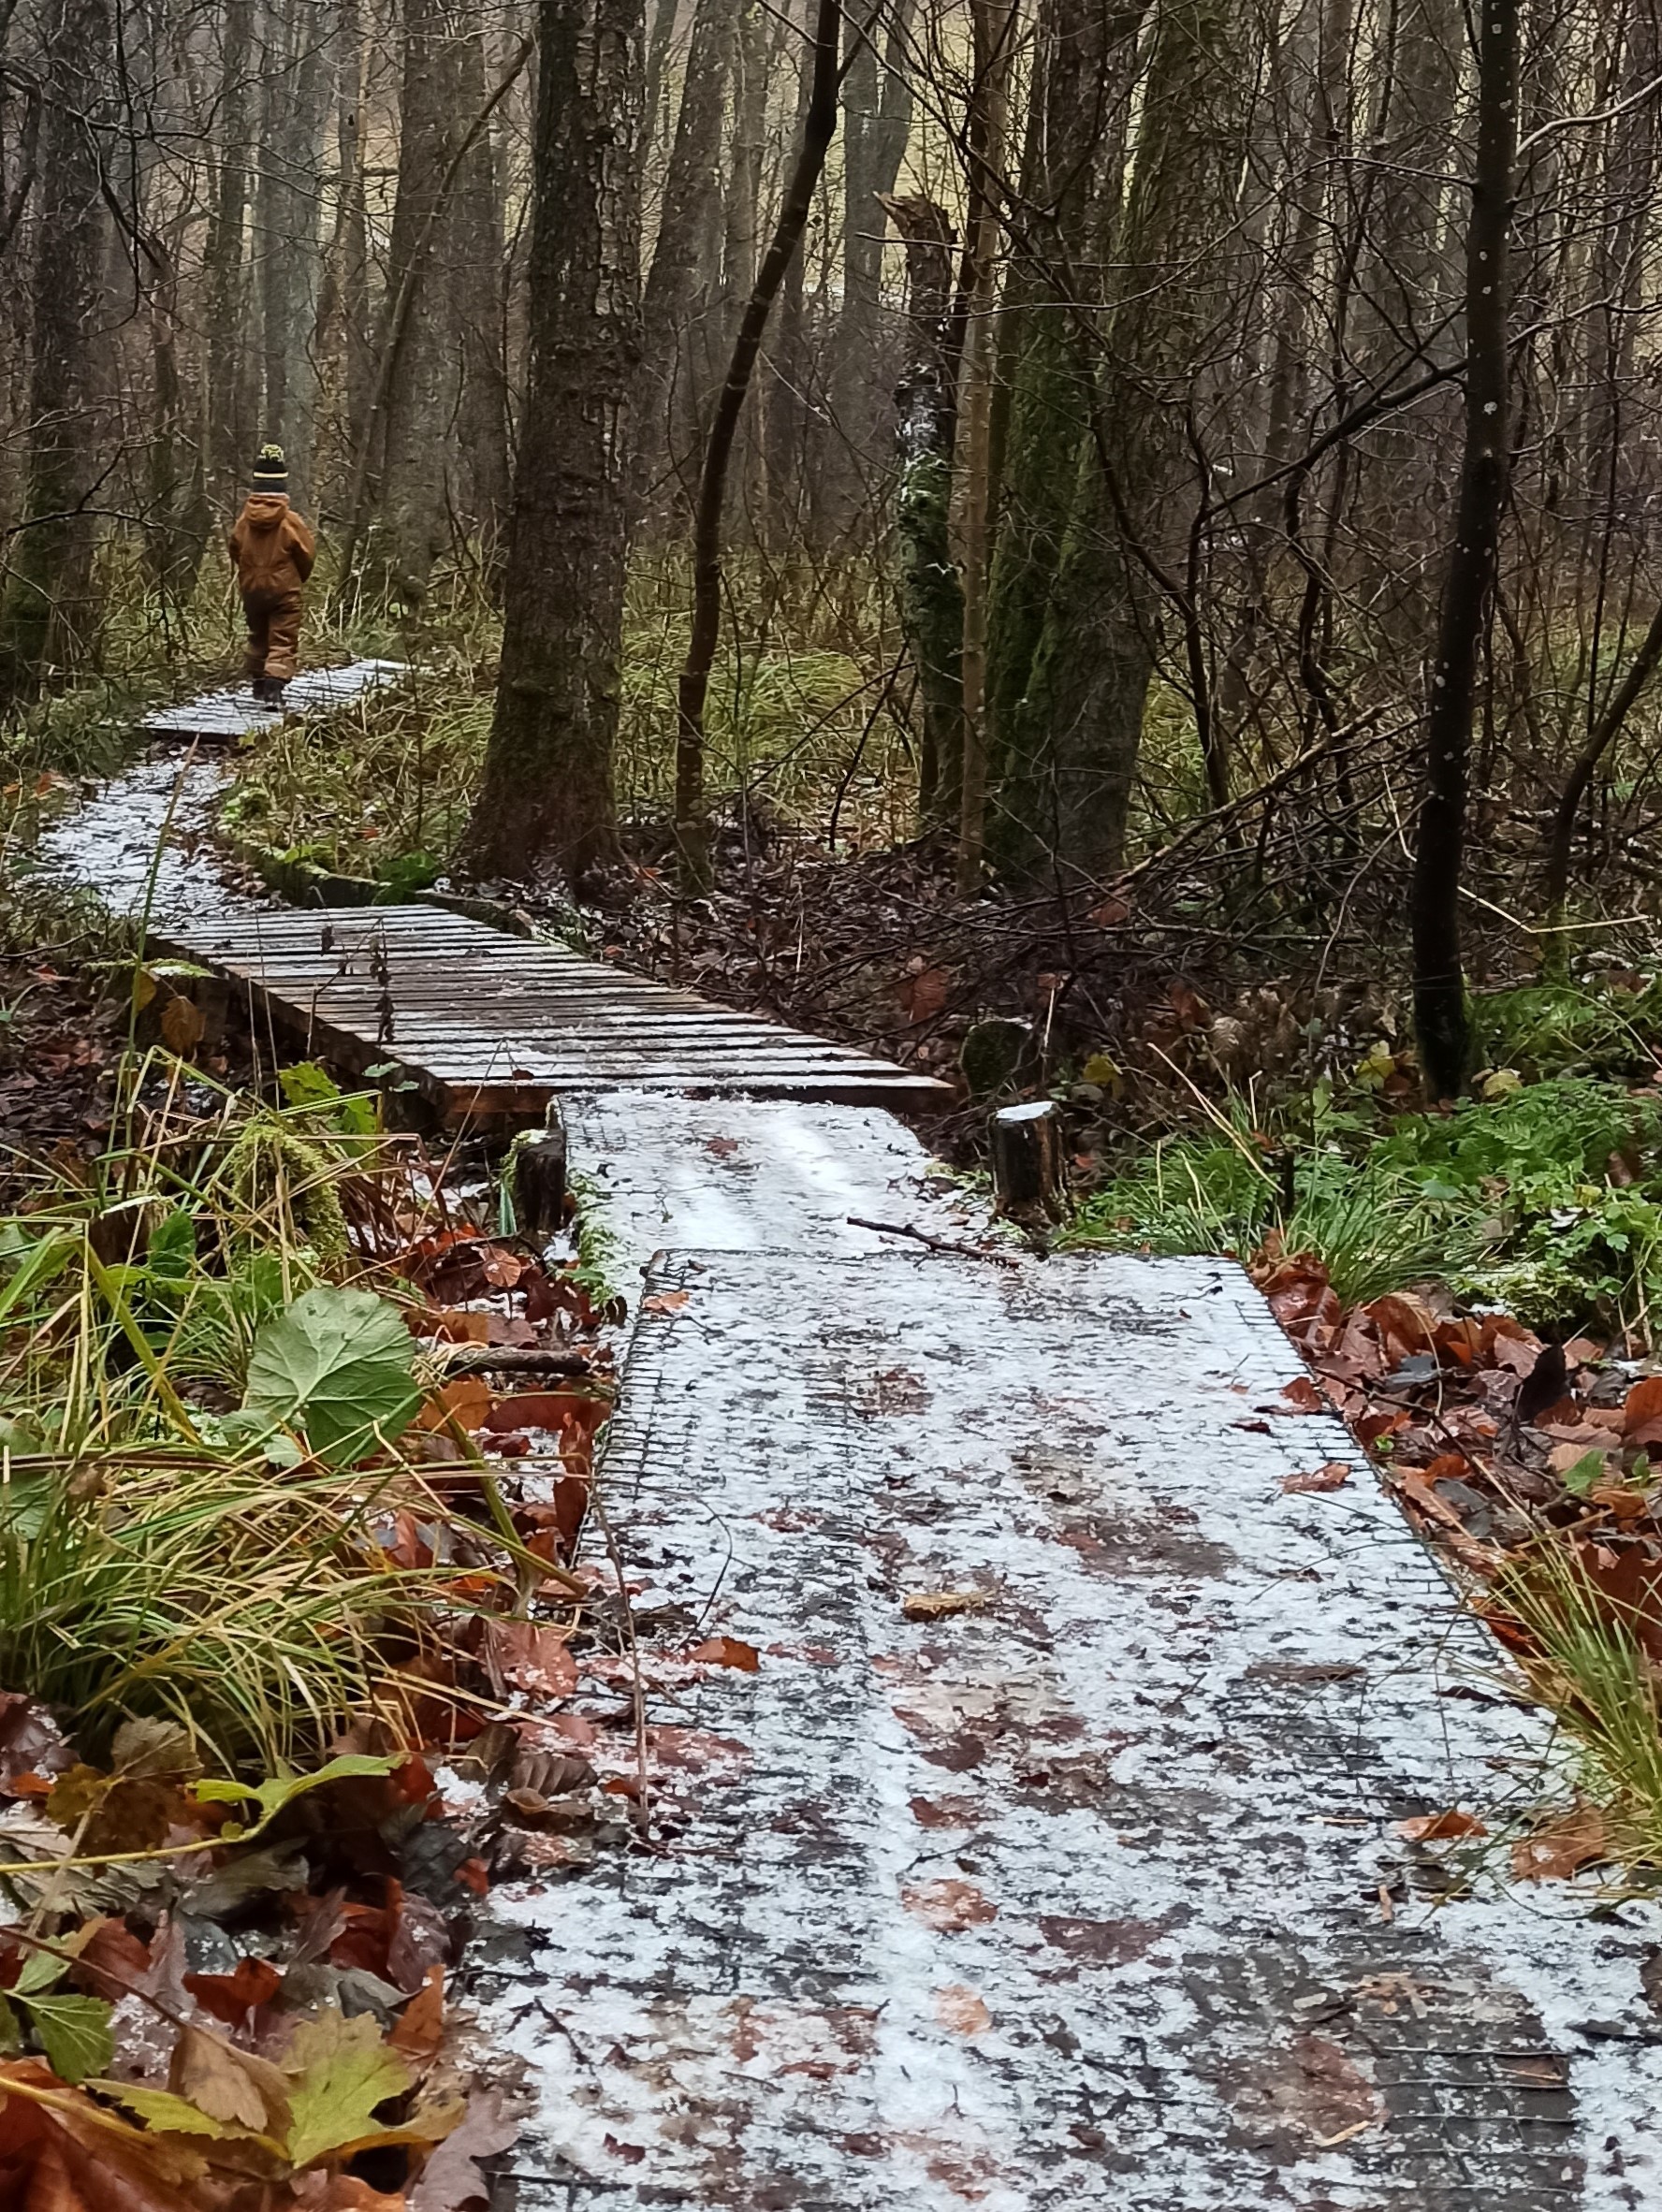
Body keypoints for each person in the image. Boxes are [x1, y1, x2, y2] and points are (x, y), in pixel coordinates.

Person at [228, 444, 315, 702]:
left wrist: (249, 574)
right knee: (283, 638)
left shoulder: (244, 522)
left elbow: (235, 549)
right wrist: (297, 577)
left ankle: (258, 682)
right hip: (284, 590)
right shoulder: (290, 521)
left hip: (252, 589)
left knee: (258, 635)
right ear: (282, 489)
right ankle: (274, 689)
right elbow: (307, 554)